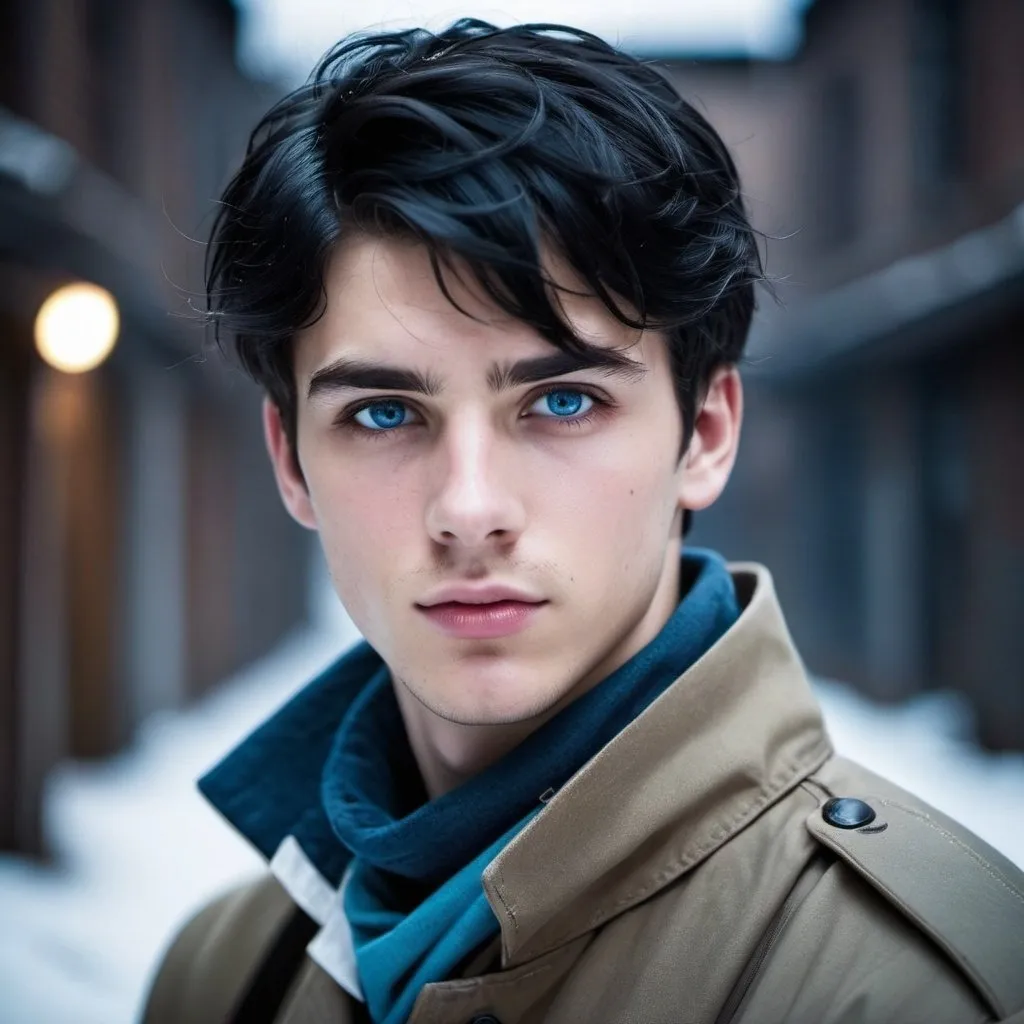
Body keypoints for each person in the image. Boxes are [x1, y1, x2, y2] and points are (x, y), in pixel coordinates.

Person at [143, 20, 1024, 1024]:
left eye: (561, 402)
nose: (469, 509)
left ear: (703, 431)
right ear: (291, 460)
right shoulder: (220, 975)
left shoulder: (910, 994)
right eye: (383, 413)